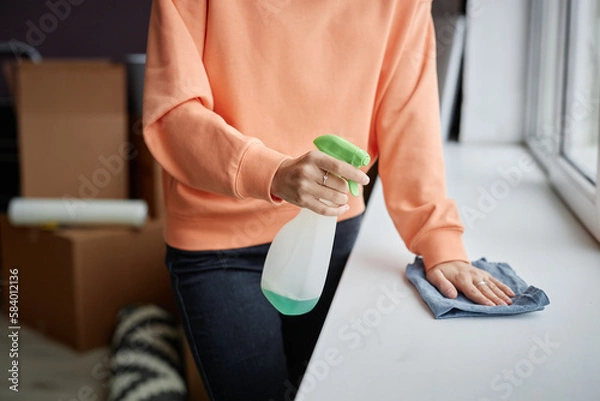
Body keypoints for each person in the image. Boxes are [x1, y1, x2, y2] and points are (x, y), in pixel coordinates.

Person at [142, 1, 515, 400]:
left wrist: (440, 242)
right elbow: (172, 113)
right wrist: (271, 172)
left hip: (330, 232)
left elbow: (411, 123)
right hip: (218, 244)